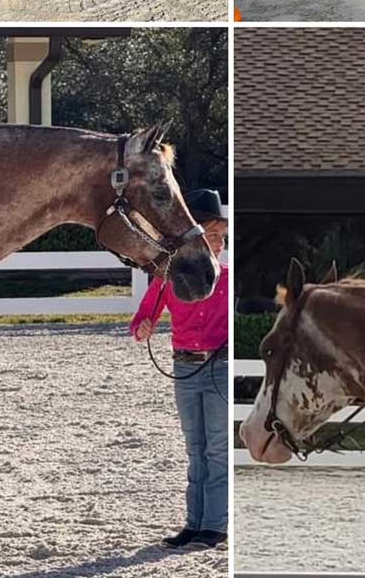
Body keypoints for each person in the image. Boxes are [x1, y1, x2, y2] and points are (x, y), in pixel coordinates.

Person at [131, 188, 228, 550]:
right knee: (195, 448)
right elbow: (144, 316)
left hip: (219, 368)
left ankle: (215, 524)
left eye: (220, 238)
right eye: (210, 237)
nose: (216, 245)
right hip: (184, 368)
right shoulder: (169, 279)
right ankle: (195, 522)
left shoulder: (229, 281)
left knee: (216, 449)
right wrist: (143, 327)